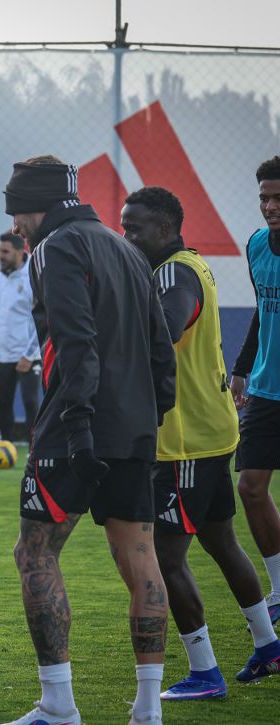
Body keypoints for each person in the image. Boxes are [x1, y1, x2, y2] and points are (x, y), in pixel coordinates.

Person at [0, 157, 176, 725]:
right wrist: (152, 415)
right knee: (141, 558)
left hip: (75, 429)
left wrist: (76, 426)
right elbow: (161, 348)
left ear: (38, 206)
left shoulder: (54, 248)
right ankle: (147, 710)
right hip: (134, 428)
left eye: (16, 212)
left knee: (34, 553)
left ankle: (58, 706)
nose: (14, 227)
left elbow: (74, 340)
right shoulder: (126, 248)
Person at [121, 185, 280, 700]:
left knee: (164, 558)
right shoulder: (192, 264)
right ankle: (268, 645)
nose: (127, 236)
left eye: (134, 228)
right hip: (209, 433)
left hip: (183, 442)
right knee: (221, 542)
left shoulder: (173, 274)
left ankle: (204, 672)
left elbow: (167, 327)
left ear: (164, 228)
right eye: (123, 227)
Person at [231, 155, 280, 624]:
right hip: (266, 388)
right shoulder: (256, 245)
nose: (269, 206)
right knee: (250, 487)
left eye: (278, 198)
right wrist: (242, 369)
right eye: (264, 197)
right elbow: (263, 310)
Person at [0, 231, 41, 442]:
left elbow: (41, 318)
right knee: (3, 403)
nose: (1, 256)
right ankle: (4, 447)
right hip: (2, 354)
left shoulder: (33, 276)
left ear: (20, 252)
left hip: (28, 355)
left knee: (31, 403)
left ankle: (35, 451)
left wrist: (30, 355)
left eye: (6, 252)